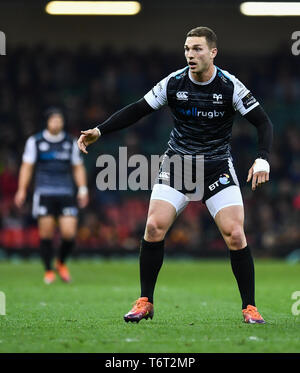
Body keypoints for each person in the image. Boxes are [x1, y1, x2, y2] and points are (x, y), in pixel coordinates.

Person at [77, 27, 273, 324]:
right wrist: (100, 130)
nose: (190, 55)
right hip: (178, 165)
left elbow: (263, 122)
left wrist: (262, 159)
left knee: (235, 235)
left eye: (197, 49)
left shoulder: (230, 86)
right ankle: (145, 301)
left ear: (212, 53)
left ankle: (250, 307)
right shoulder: (174, 83)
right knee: (154, 227)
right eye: (186, 49)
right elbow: (138, 110)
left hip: (217, 166)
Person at [15, 107, 89, 284]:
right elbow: (27, 166)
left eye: (59, 120)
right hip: (44, 193)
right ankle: (48, 270)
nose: (57, 123)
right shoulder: (35, 142)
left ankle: (61, 262)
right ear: (47, 122)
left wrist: (83, 188)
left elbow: (77, 167)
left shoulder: (70, 142)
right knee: (46, 234)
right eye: (54, 120)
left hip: (66, 192)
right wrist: (22, 189)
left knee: (69, 234)